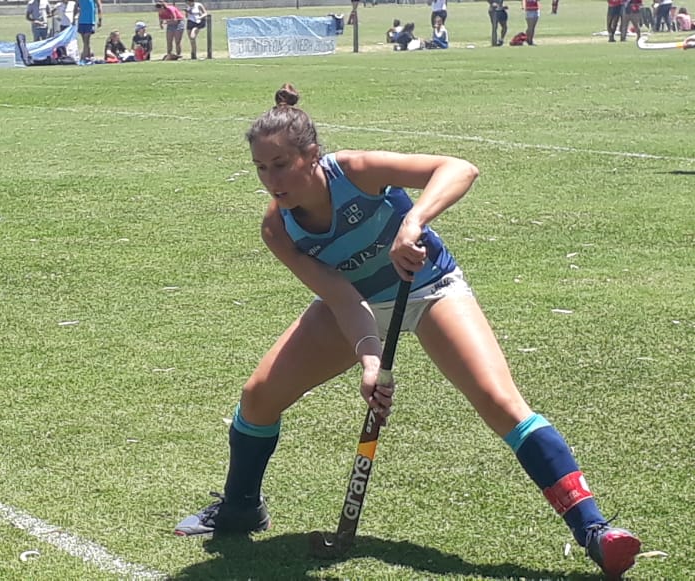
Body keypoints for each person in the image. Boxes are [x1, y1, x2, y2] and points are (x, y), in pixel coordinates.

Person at [172, 83, 643, 581]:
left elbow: (459, 168)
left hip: (430, 289)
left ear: (312, 154)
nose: (272, 180)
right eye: (261, 168)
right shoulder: (278, 229)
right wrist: (370, 360)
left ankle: (595, 531)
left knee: (499, 402)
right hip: (355, 305)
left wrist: (412, 221)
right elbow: (342, 299)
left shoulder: (356, 171)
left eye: (281, 164)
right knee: (259, 397)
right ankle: (241, 507)